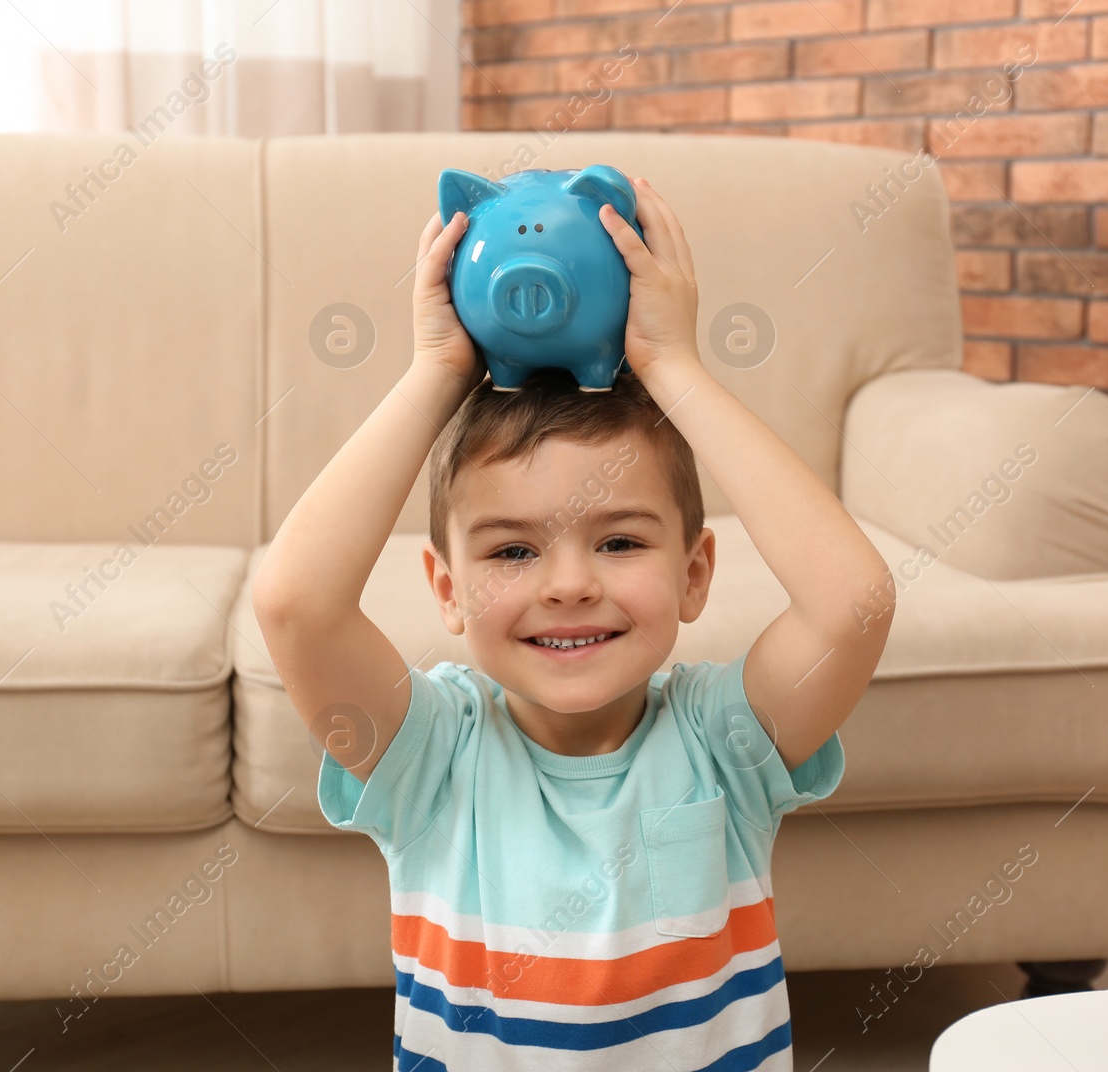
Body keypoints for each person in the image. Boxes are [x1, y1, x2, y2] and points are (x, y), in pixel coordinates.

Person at [252, 175, 895, 1071]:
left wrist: (675, 367)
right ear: (447, 589)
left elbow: (852, 603)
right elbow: (295, 602)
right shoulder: (433, 757)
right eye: (512, 552)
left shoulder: (725, 744)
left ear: (694, 572)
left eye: (621, 541)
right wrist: (436, 371)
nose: (567, 586)